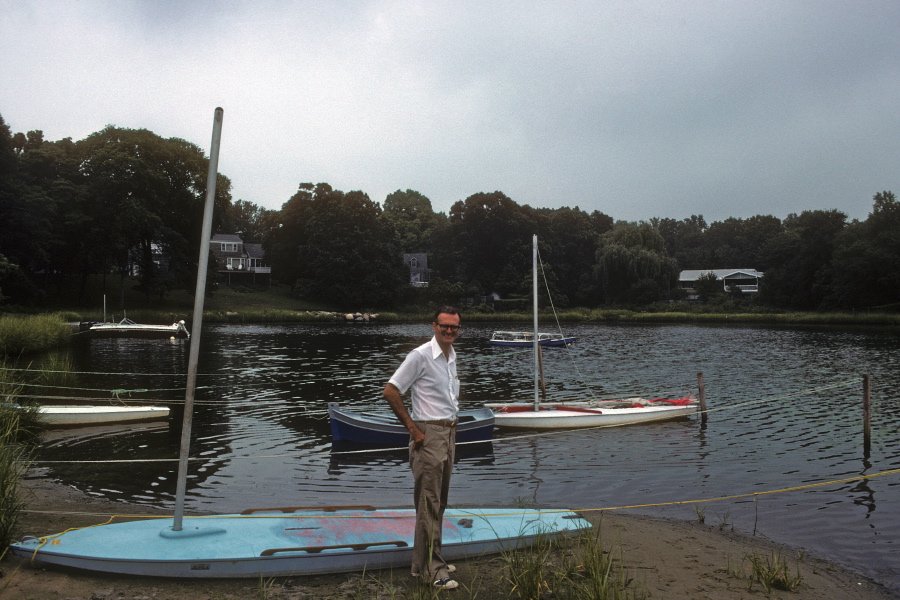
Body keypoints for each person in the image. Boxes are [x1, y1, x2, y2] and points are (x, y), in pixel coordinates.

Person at [383, 306, 462, 590]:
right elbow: (391, 391)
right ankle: (434, 570)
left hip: (448, 433)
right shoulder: (420, 356)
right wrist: (414, 430)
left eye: (454, 327)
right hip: (428, 435)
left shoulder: (451, 356)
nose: (449, 331)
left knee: (436, 503)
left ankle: (424, 562)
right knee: (429, 504)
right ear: (434, 326)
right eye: (445, 326)